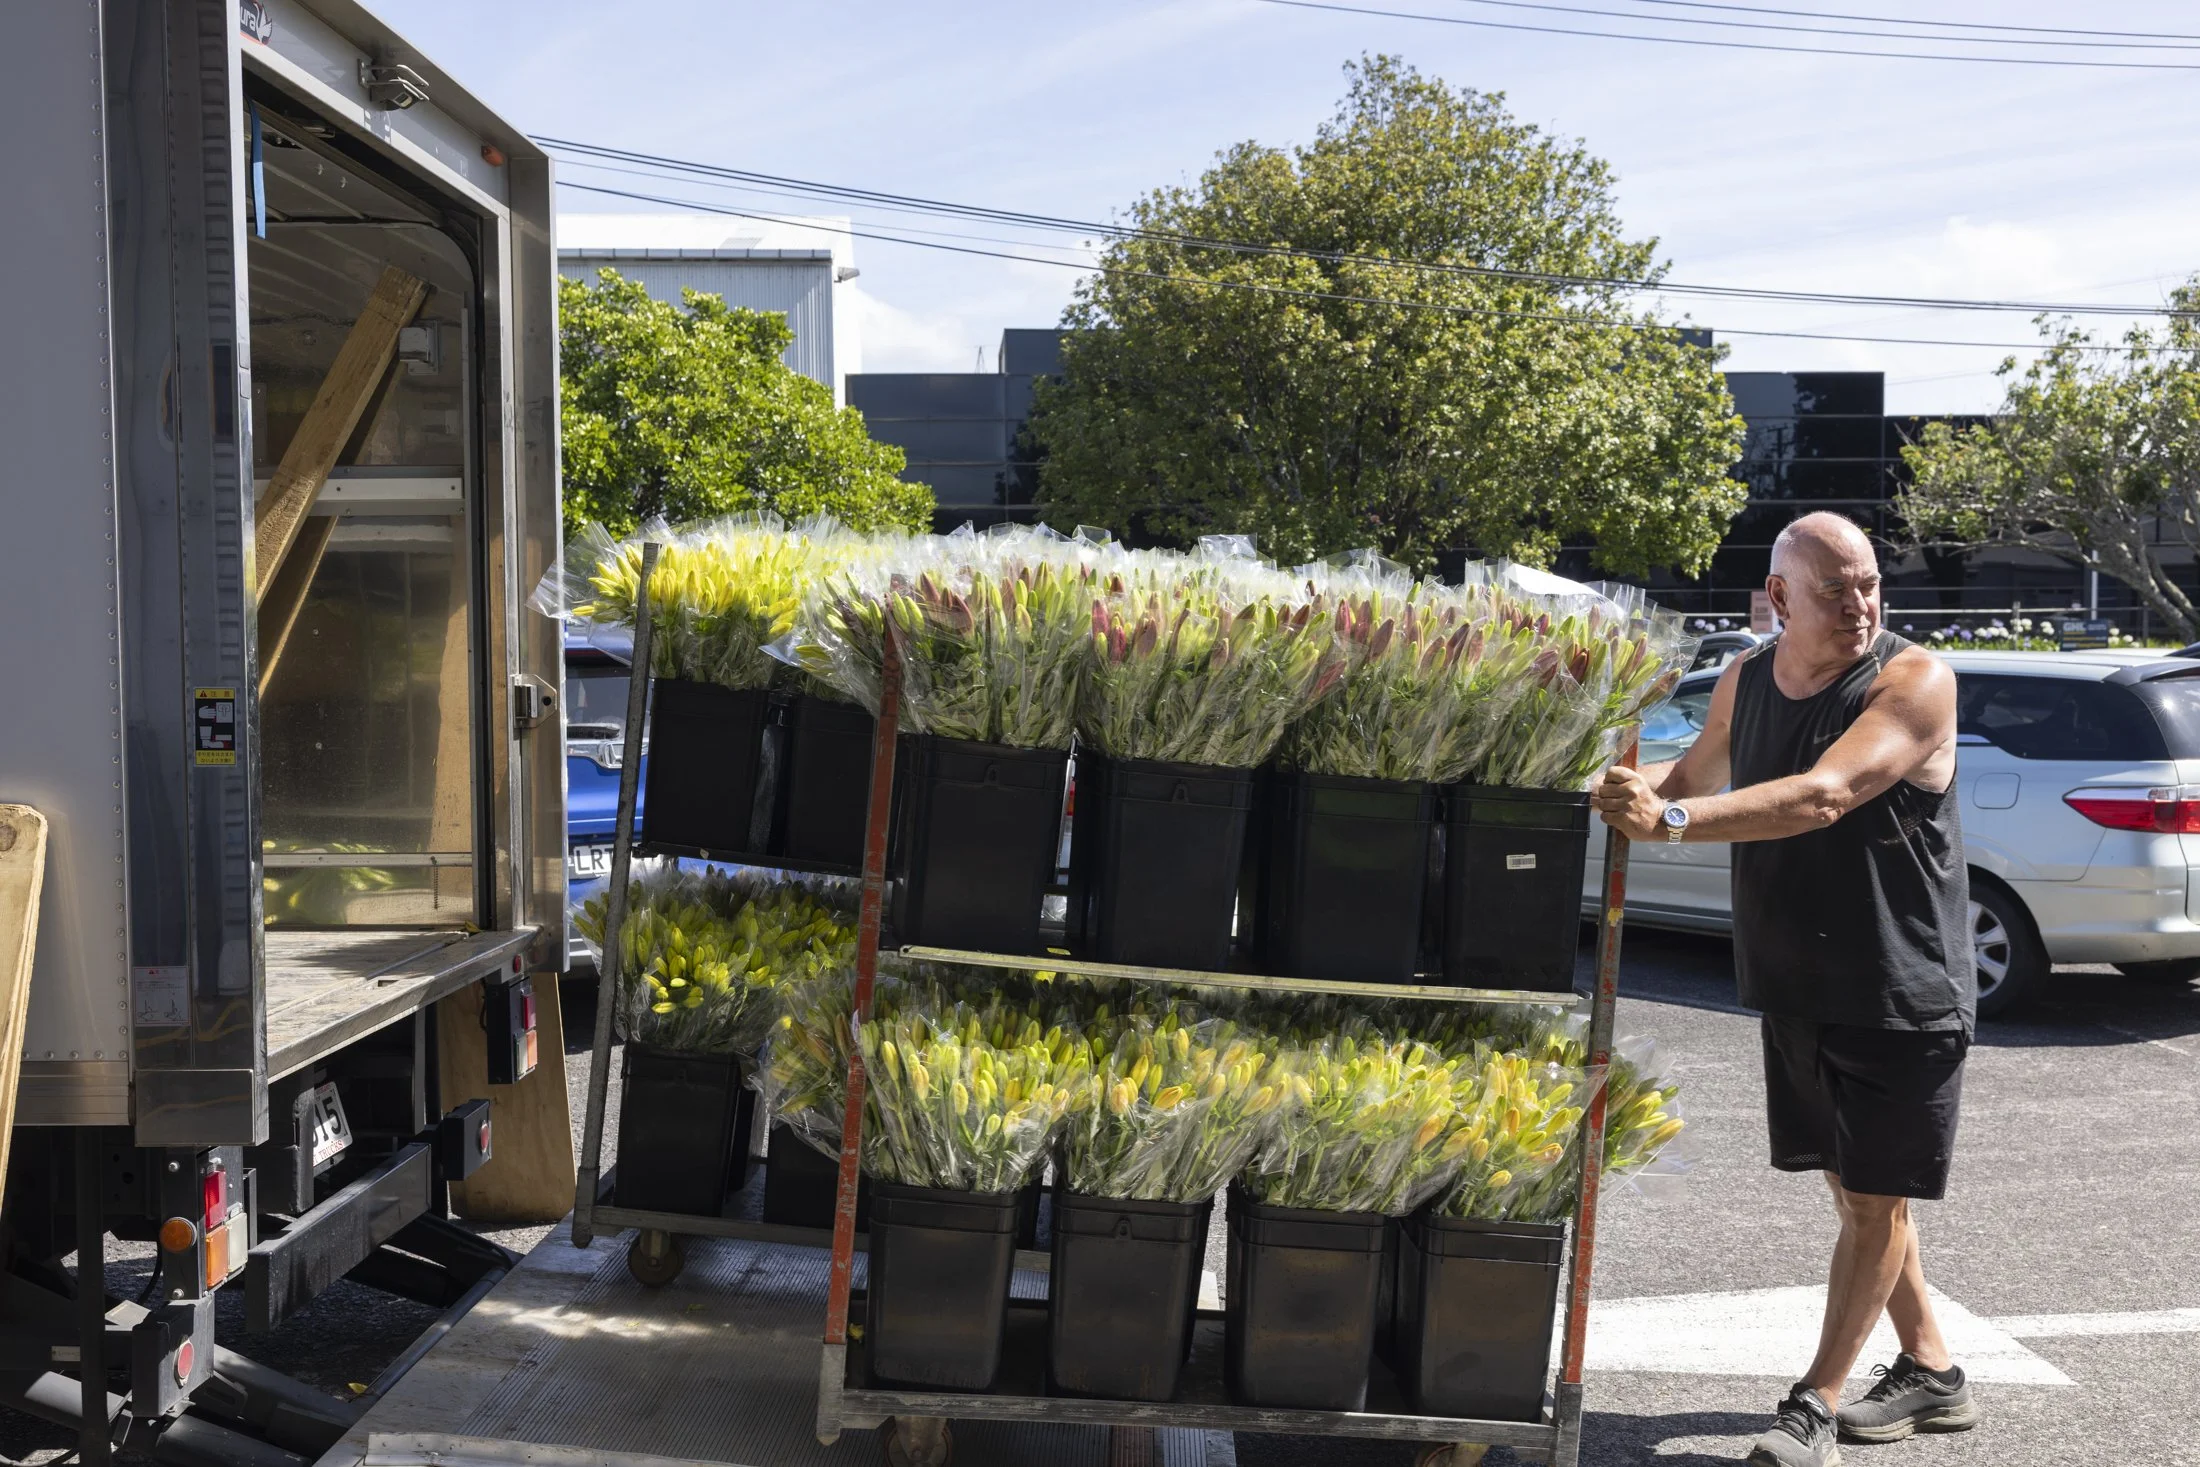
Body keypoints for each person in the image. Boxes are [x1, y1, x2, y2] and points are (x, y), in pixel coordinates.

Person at [1592, 512, 1978, 1467]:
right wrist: (1621, 789)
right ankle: (1932, 1370)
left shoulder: (1913, 680)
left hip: (1902, 985)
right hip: (1798, 980)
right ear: (1778, 599)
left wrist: (1669, 817)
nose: (1860, 604)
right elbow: (1685, 778)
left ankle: (1813, 1407)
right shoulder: (1745, 677)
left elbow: (1822, 795)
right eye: (1836, 589)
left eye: (1869, 584)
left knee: (1873, 1202)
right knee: (1859, 1194)